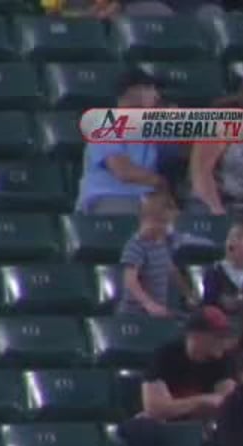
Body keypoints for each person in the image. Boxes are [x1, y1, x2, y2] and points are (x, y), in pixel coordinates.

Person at [120, 307, 236, 446]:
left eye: (224, 336)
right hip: (164, 428)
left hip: (199, 429)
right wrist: (203, 401)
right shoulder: (166, 355)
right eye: (217, 336)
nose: (223, 341)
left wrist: (176, 406)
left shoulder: (223, 361)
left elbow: (227, 404)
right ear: (195, 335)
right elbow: (155, 409)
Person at [76, 71, 165, 214]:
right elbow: (123, 171)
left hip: (146, 198)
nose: (157, 95)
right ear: (130, 92)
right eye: (148, 89)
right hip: (109, 197)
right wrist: (160, 182)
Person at [116, 193, 191, 318]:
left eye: (168, 224)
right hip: (134, 313)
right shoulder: (136, 245)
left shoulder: (165, 242)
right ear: (145, 220)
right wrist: (148, 304)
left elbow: (171, 270)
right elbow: (130, 281)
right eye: (161, 222)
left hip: (157, 312)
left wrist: (187, 294)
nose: (165, 228)